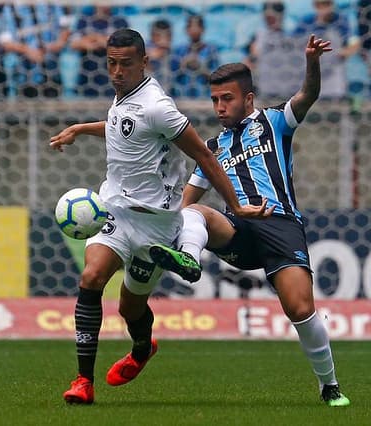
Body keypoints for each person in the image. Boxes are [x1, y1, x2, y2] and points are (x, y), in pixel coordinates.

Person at [49, 28, 270, 405]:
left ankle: (140, 349)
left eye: (126, 64)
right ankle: (83, 381)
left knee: (129, 307)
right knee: (91, 277)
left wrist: (234, 206)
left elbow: (203, 154)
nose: (117, 72)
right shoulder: (122, 99)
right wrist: (81, 130)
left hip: (156, 224)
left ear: (144, 63)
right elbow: (123, 132)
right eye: (112, 64)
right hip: (114, 211)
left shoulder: (158, 106)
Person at [150, 35, 351, 407]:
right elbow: (187, 204)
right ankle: (189, 260)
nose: (219, 107)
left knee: (300, 308)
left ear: (248, 99)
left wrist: (312, 62)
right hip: (237, 229)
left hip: (280, 224)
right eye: (214, 100)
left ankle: (329, 385)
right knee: (194, 213)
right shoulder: (212, 149)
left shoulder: (276, 121)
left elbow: (308, 95)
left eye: (227, 99)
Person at [170, 14, 219, 99]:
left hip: (204, 96)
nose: (194, 30)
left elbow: (216, 77)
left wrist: (201, 67)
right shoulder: (179, 51)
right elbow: (172, 75)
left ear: (203, 29)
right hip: (182, 96)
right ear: (186, 30)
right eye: (191, 27)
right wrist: (183, 64)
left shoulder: (211, 50)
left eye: (197, 27)